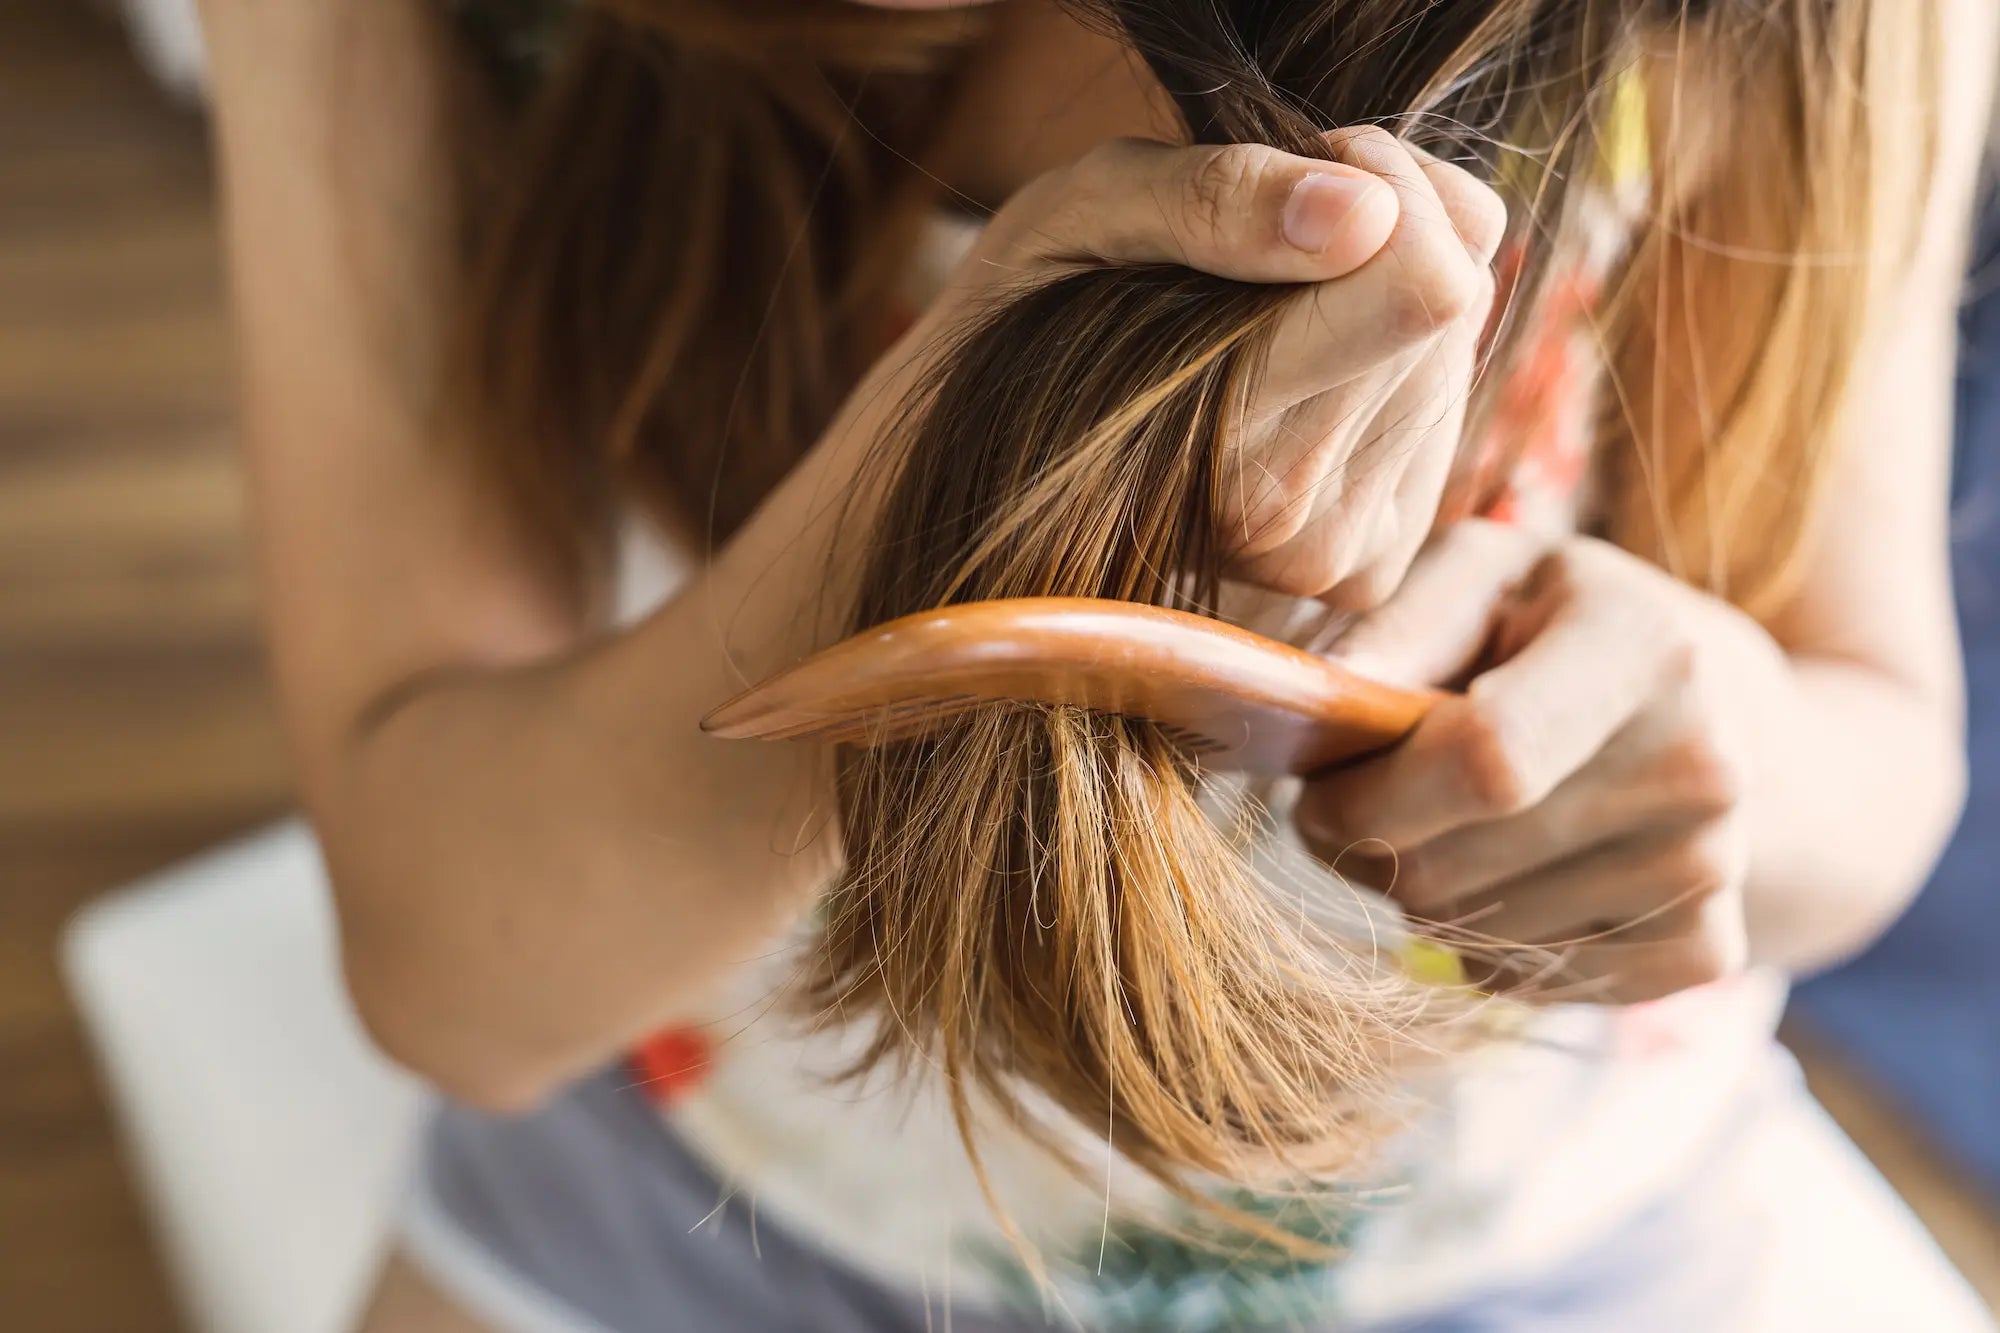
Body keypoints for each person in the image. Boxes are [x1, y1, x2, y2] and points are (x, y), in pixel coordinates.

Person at [190, 0, 1998, 1328]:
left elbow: (1877, 747)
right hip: (680, 1224)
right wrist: (957, 464)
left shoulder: (1786, 32)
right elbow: (453, 977)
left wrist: (1723, 764)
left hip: (1539, 1245)